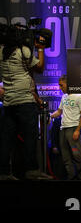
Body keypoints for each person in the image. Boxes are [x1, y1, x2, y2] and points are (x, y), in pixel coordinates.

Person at [0, 35, 53, 180]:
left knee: (6, 139)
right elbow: (40, 68)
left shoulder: (1, 51)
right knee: (30, 137)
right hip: (25, 101)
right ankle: (31, 170)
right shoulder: (23, 51)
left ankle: (4, 172)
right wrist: (40, 49)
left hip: (9, 102)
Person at [50, 75, 81, 180]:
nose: (60, 88)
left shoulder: (79, 96)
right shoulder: (64, 97)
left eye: (61, 85)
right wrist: (49, 116)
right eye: (59, 85)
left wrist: (77, 130)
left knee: (77, 156)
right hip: (63, 129)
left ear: (68, 83)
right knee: (66, 157)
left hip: (73, 129)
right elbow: (59, 111)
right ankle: (71, 177)